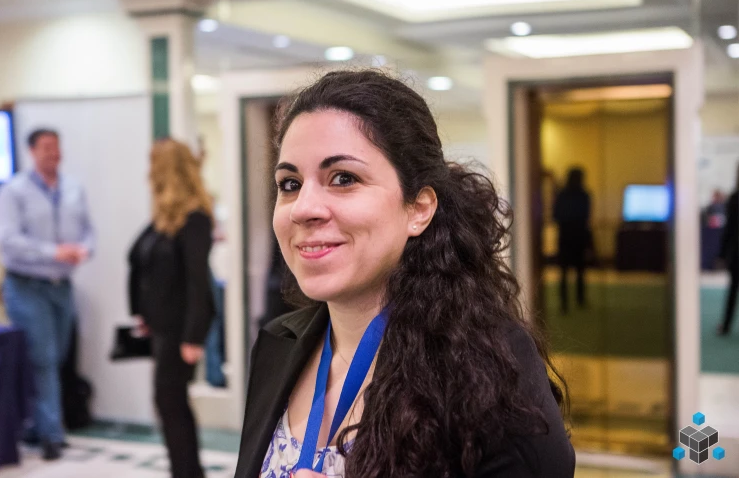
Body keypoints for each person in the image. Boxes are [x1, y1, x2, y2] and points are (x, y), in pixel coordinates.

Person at [235, 70, 575, 478]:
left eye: (343, 178)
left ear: (419, 208)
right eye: (289, 183)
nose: (303, 208)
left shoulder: (487, 367)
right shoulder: (278, 345)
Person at [0, 128, 94, 460]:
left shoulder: (73, 188)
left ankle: (36, 425)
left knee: (57, 355)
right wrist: (53, 252)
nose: (54, 153)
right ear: (32, 151)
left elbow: (89, 230)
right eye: (46, 147)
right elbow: (7, 239)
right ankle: (52, 435)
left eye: (57, 147)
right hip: (27, 286)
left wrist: (82, 250)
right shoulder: (13, 191)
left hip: (60, 287)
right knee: (43, 358)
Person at [128, 139, 215, 478]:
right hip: (163, 327)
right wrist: (144, 313)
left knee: (170, 402)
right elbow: (142, 265)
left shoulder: (194, 218)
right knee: (169, 402)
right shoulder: (165, 219)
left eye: (154, 164)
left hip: (181, 330)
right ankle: (186, 470)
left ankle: (188, 472)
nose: (149, 172)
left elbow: (198, 282)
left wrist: (194, 336)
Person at [553, 168, 591, 314]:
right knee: (579, 271)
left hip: (566, 237)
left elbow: (556, 215)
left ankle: (565, 303)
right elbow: (586, 216)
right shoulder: (583, 195)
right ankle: (578, 300)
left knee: (565, 272)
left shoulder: (562, 195)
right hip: (578, 237)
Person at [718, 166, 739, 336]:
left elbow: (729, 229)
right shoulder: (733, 199)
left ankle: (725, 326)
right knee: (732, 290)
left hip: (736, 253)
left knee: (733, 289)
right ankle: (725, 325)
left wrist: (722, 254)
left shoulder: (734, 198)